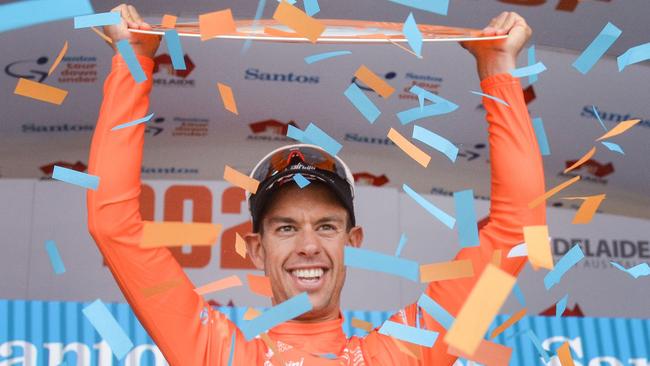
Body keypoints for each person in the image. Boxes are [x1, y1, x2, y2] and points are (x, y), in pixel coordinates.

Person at [87, 4, 545, 365]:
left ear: (353, 241)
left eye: (326, 226)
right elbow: (113, 227)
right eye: (286, 227)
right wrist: (134, 59)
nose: (308, 245)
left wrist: (498, 68)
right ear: (256, 249)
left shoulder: (410, 354)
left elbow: (521, 232)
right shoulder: (216, 355)